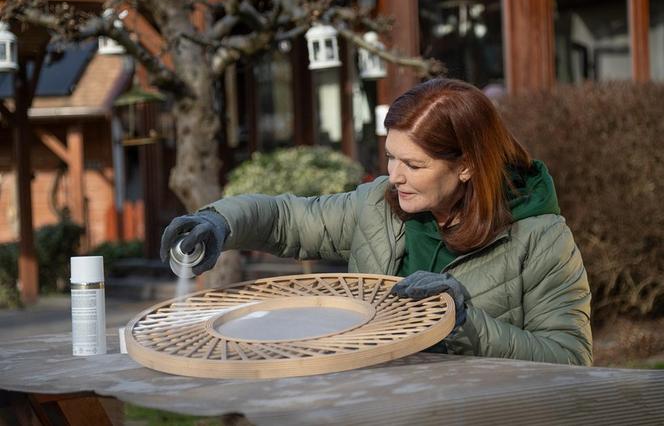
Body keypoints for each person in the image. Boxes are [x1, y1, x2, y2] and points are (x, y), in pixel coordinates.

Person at [160, 78, 592, 366]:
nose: (395, 175)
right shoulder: (378, 205)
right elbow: (287, 219)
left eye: (414, 164)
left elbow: (572, 360)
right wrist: (219, 221)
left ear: (466, 166)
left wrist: (464, 321)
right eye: (390, 156)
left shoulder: (540, 237)